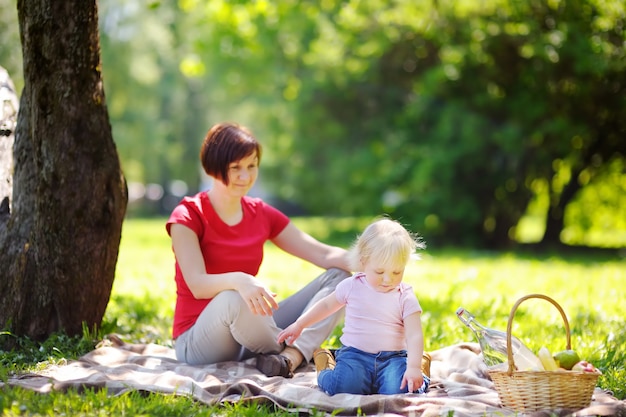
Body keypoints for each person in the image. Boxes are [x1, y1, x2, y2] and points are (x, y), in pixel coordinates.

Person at [166, 122, 351, 377]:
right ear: (213, 168)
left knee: (341, 278)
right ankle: (301, 349)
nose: (245, 176)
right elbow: (197, 284)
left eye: (251, 166)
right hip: (198, 340)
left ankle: (291, 356)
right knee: (233, 298)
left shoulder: (260, 213)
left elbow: (322, 253)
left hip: (249, 334)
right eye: (235, 168)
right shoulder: (187, 215)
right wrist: (241, 281)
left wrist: (373, 263)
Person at [277, 218, 431, 395]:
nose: (388, 279)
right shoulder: (352, 286)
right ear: (363, 261)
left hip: (393, 359)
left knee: (402, 390)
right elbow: (327, 305)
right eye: (379, 272)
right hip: (356, 355)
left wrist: (413, 367)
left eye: (397, 272)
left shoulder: (405, 296)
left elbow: (414, 334)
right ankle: (325, 364)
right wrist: (300, 325)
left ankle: (421, 366)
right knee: (344, 388)